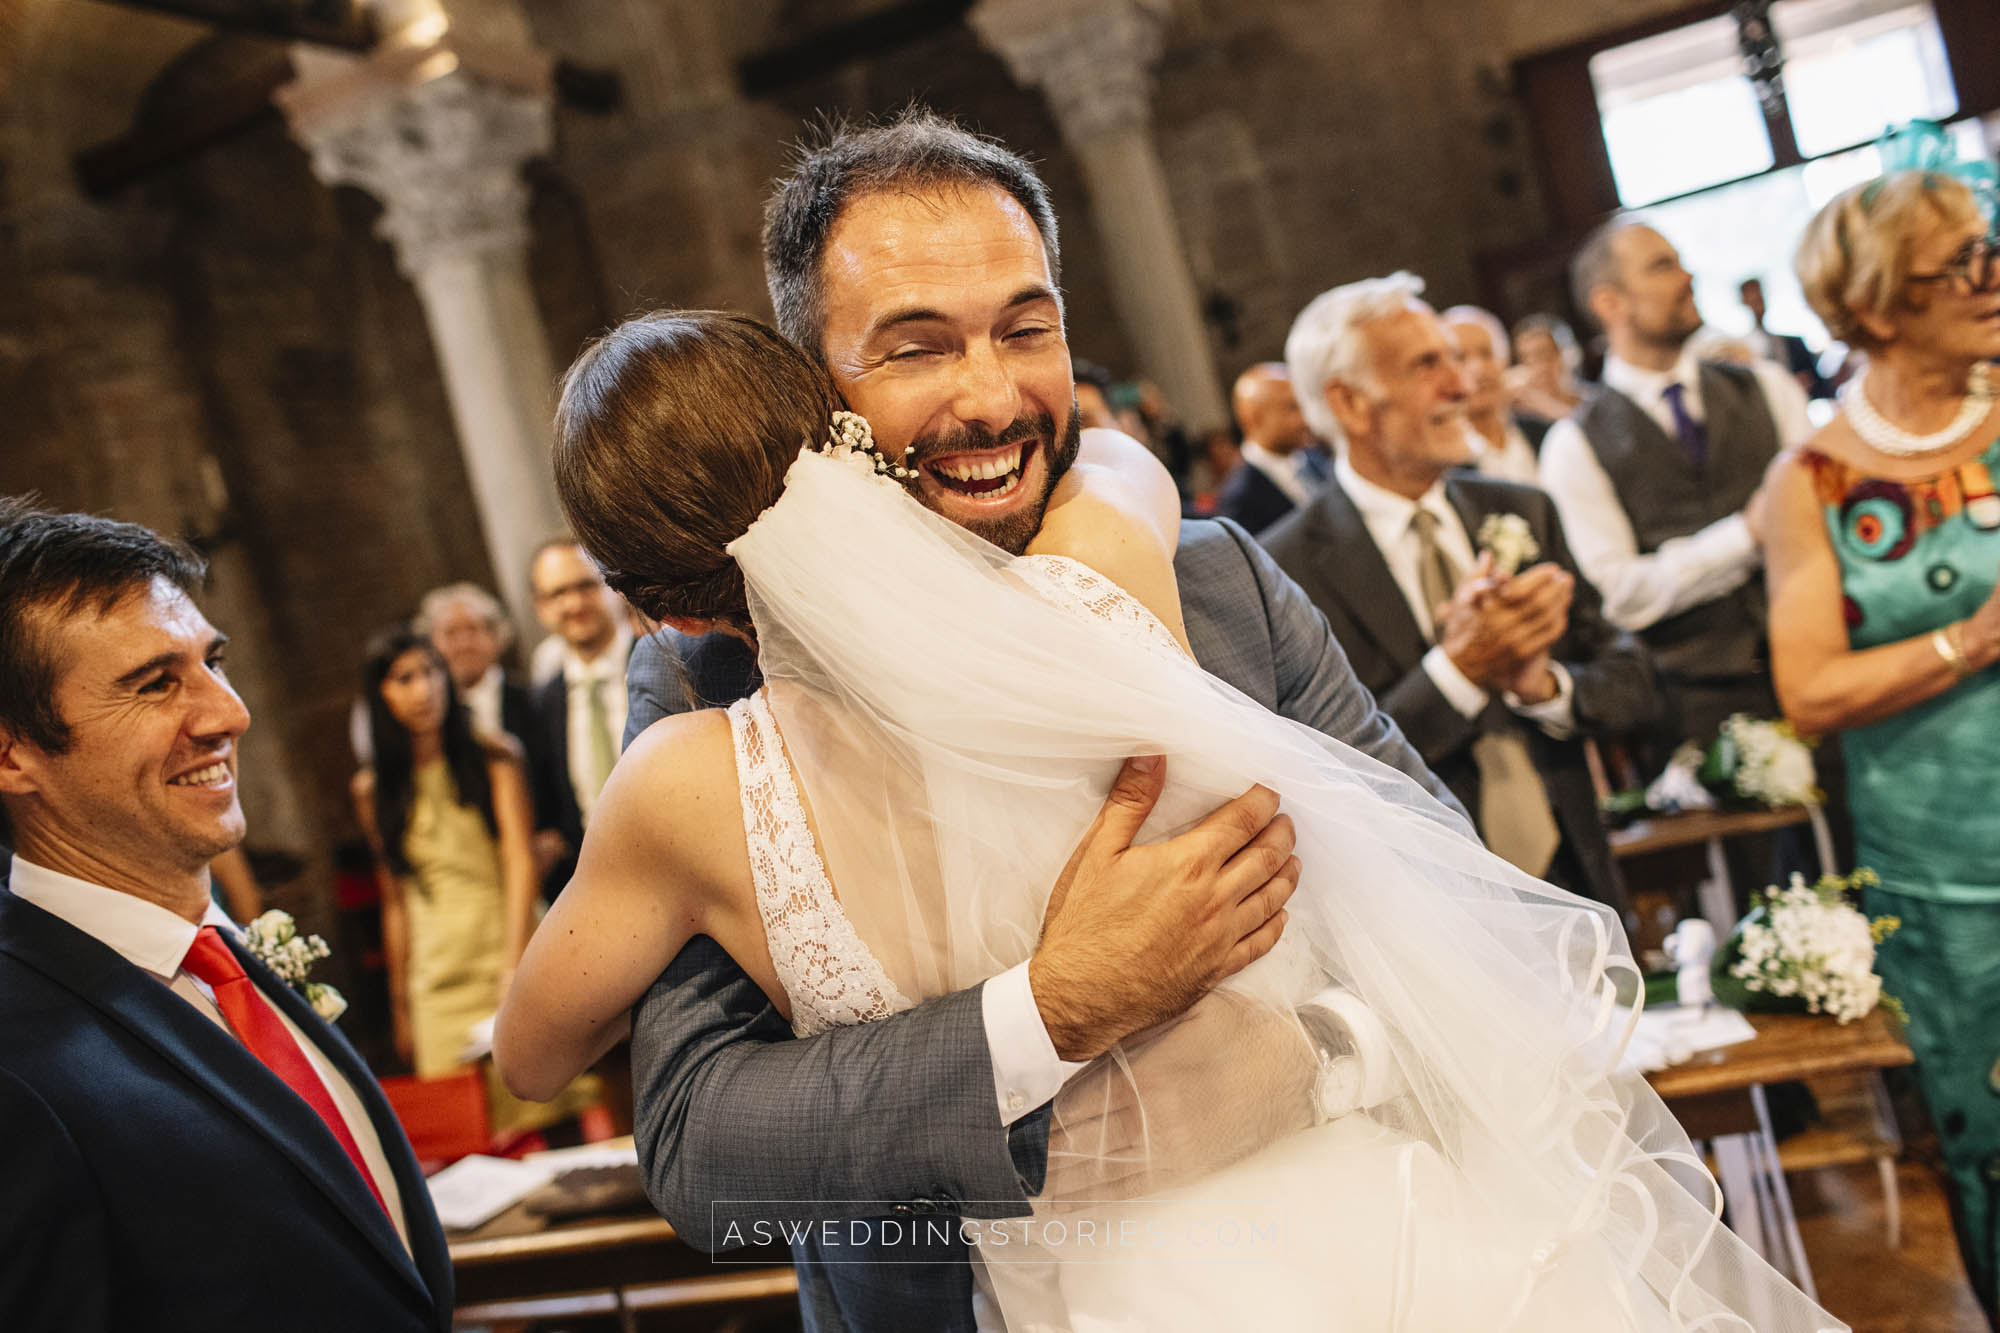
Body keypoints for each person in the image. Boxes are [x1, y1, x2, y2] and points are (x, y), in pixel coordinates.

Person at [498, 306, 1834, 1332]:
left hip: (1117, 1285)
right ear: (846, 442)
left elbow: (532, 1048)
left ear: (659, 609)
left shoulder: (679, 788)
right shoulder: (1099, 593)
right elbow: (1121, 459)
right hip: (1373, 1214)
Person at [603, 109, 1468, 1331]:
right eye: (915, 349)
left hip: (1332, 1262)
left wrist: (1321, 1049)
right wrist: (1047, 1009)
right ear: (814, 392)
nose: (992, 397)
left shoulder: (1213, 580)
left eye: (1026, 329)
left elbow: (1437, 874)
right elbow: (702, 1153)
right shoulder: (712, 682)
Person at [0, 501, 453, 1330]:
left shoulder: (226, 960)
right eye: (154, 683)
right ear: (13, 751)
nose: (228, 713)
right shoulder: (19, 1074)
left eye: (213, 662)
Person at [1766, 169, 2000, 1318]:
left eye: (1987, 246)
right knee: (1987, 1136)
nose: (1989, 274)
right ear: (1871, 303)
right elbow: (1805, 687)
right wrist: (1969, 638)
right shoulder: (1810, 482)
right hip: (1948, 878)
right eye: (1958, 260)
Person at [1266, 274, 1660, 910]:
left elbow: (1636, 683)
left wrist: (1546, 688)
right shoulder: (1283, 568)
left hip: (1576, 882)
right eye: (1428, 364)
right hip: (1420, 908)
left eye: (1457, 357)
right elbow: (1319, 775)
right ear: (1350, 404)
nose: (1464, 384)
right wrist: (1458, 672)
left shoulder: (1525, 512)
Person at [1539, 219, 1814, 745]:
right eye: (1662, 266)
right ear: (1610, 303)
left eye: (1680, 261)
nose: (1687, 277)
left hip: (1815, 660)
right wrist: (1745, 536)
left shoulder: (1767, 386)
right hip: (1691, 710)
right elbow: (1618, 594)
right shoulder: (1574, 446)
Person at [353, 627, 590, 1136]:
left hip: (504, 948)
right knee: (463, 1129)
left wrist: (513, 969)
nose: (424, 689)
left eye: (432, 672)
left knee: (550, 1115)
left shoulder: (495, 757)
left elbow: (520, 864)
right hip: (436, 978)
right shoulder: (374, 789)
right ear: (381, 695)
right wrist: (401, 1003)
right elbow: (394, 899)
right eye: (405, 679)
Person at [525, 537, 633, 900]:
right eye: (557, 594)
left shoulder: (667, 665)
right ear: (541, 608)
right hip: (599, 892)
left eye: (586, 586)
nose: (573, 604)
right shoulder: (541, 704)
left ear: (614, 588)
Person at [415, 581, 535, 750]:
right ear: (431, 644)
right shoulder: (427, 717)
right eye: (450, 633)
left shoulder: (534, 700)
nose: (464, 644)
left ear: (496, 636)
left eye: (473, 629)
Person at [1212, 362, 1322, 534]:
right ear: (1255, 418)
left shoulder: (1320, 460)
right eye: (1291, 408)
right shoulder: (1239, 499)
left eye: (1302, 404)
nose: (1304, 418)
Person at [1441, 304, 1542, 485]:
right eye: (1460, 357)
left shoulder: (1544, 434)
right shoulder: (1446, 464)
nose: (1478, 368)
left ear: (1505, 358)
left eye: (1486, 353)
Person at [1739, 276, 1834, 399]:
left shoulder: (1795, 343)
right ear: (1744, 301)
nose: (1757, 303)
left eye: (1759, 297)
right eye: (1751, 297)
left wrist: (1805, 385)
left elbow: (1823, 388)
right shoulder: (1741, 350)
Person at [1506, 312, 1584, 434]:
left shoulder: (1588, 399)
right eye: (1526, 359)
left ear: (1564, 355)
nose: (1539, 368)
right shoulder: (1519, 415)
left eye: (1544, 355)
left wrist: (1550, 407)